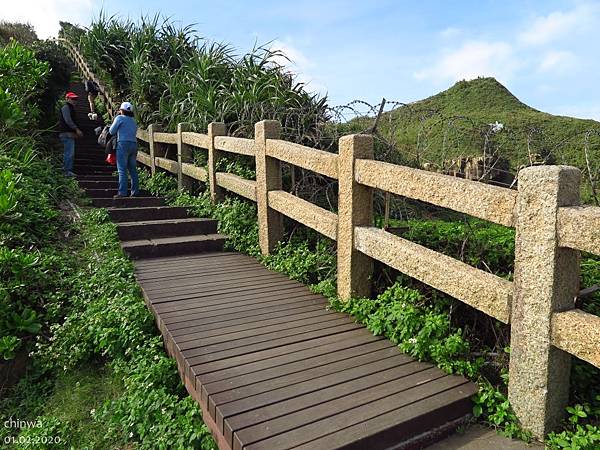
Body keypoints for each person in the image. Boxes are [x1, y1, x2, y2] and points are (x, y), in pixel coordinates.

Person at [109, 102, 139, 198]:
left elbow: (111, 131)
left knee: (122, 170)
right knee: (133, 170)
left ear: (122, 110)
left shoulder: (120, 118)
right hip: (134, 144)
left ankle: (122, 193)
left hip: (123, 144)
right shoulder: (133, 121)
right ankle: (135, 192)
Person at [59, 92, 83, 177]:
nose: (74, 101)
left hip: (69, 133)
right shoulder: (66, 107)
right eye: (72, 99)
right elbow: (68, 120)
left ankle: (67, 170)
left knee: (70, 152)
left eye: (75, 99)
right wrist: (76, 129)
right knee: (69, 152)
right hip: (66, 133)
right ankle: (66, 170)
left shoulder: (71, 108)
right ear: (67, 99)